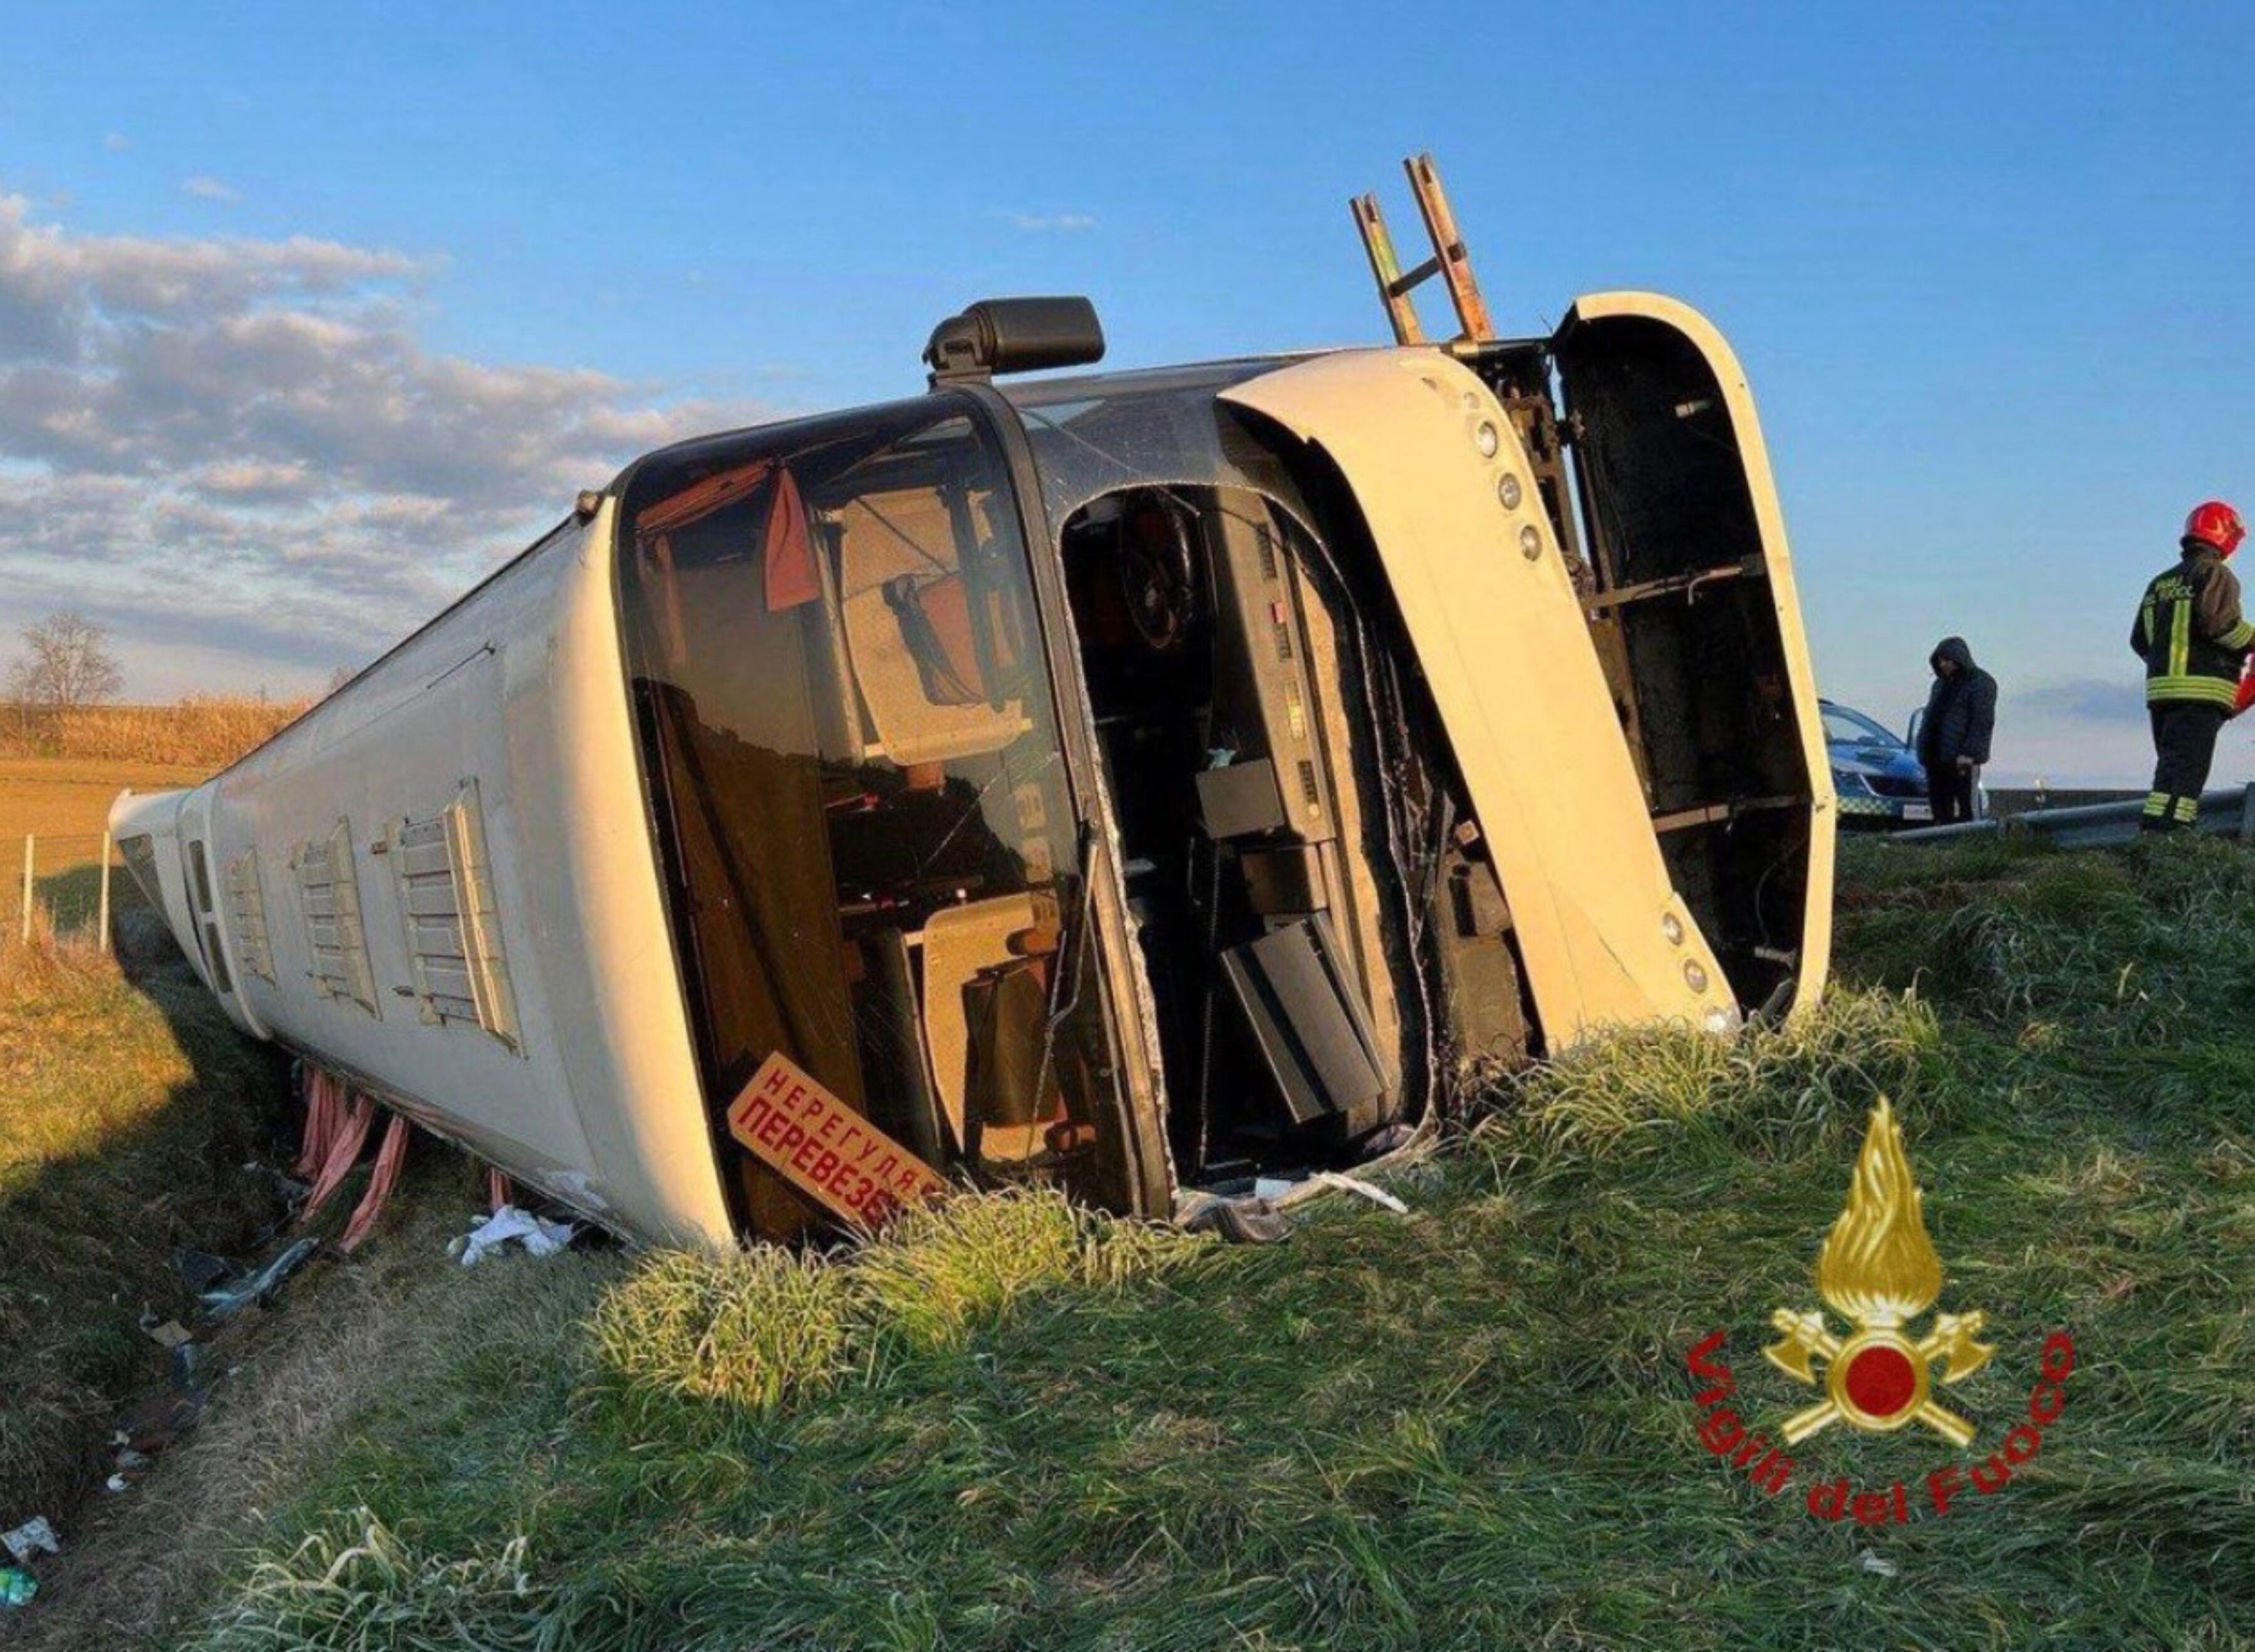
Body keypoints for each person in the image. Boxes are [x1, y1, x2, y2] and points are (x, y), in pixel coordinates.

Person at [2132, 500, 2252, 831]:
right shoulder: (2216, 574)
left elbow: (2140, 640)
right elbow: (2221, 626)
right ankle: (2176, 842)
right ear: (2225, 536)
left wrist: (2167, 666)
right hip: (2200, 694)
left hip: (2162, 695)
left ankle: (2153, 840)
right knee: (2187, 780)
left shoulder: (2159, 583)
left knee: (2169, 772)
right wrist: (2253, 640)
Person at [1916, 637, 1996, 824]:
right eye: (1940, 660)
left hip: (1961, 760)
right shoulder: (1940, 685)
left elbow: (1982, 721)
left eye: (1947, 660)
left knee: (1966, 808)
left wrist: (1969, 753)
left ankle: (1969, 846)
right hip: (1935, 756)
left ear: (1959, 658)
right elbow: (1930, 716)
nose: (1943, 665)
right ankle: (1942, 845)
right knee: (1940, 808)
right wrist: (1923, 748)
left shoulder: (1981, 683)